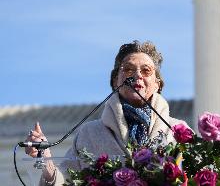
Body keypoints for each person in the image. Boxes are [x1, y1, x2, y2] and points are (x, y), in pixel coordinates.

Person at [25, 40, 191, 185]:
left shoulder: (178, 130)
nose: (137, 75)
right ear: (115, 81)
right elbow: (67, 181)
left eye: (146, 70)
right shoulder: (89, 133)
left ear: (157, 84)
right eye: (128, 69)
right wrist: (45, 158)